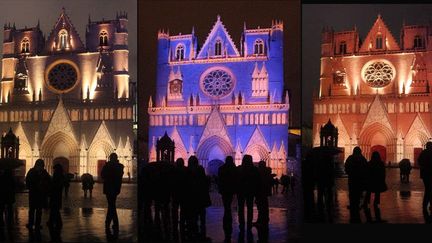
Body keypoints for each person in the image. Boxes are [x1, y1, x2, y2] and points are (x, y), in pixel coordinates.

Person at [185, 156, 211, 241]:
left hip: (192, 198)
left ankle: (193, 233)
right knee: (202, 215)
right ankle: (202, 232)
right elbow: (205, 182)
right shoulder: (200, 170)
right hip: (201, 197)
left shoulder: (187, 171)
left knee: (193, 216)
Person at [101, 153, 124, 235]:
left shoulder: (107, 166)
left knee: (111, 205)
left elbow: (102, 175)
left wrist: (107, 167)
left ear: (110, 158)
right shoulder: (120, 166)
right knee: (111, 205)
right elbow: (120, 176)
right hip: (116, 188)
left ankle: (111, 223)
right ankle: (111, 222)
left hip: (109, 188)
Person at [344, 147, 368, 223]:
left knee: (352, 192)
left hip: (352, 179)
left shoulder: (350, 158)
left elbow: (346, 166)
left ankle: (352, 205)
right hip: (360, 179)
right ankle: (356, 205)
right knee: (358, 193)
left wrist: (349, 173)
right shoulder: (362, 158)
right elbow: (366, 168)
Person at [25, 159, 51, 230]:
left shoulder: (43, 173)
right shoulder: (33, 172)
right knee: (33, 210)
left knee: (37, 210)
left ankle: (36, 224)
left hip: (39, 194)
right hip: (35, 193)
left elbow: (49, 182)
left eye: (41, 165)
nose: (40, 166)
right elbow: (28, 181)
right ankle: (32, 223)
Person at [362, 151, 387, 223]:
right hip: (378, 181)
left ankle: (366, 203)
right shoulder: (381, 163)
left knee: (368, 192)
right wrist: (382, 180)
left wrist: (366, 179)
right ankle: (376, 204)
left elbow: (366, 172)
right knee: (377, 192)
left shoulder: (369, 163)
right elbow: (383, 173)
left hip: (370, 180)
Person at [217, 156, 238, 242]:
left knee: (226, 203)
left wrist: (220, 188)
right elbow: (236, 179)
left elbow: (219, 179)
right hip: (231, 189)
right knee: (228, 202)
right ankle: (228, 213)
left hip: (224, 189)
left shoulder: (222, 168)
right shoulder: (234, 168)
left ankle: (227, 213)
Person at [237, 154, 259, 232]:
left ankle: (241, 222)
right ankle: (249, 222)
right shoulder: (255, 169)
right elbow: (257, 182)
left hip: (241, 191)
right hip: (250, 191)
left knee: (240, 208)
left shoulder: (239, 168)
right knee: (250, 208)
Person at [171, 158, 187, 239]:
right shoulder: (186, 170)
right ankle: (182, 222)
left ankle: (174, 222)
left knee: (175, 208)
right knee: (183, 209)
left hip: (175, 193)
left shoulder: (173, 171)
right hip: (184, 193)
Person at [418, 142, 432, 223]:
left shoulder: (423, 152)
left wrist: (424, 167)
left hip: (425, 174)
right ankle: (426, 205)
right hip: (430, 174)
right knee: (429, 190)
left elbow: (419, 161)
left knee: (428, 189)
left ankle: (425, 205)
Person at [255, 161, 272, 227]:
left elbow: (258, 182)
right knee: (264, 207)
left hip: (260, 192)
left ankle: (261, 221)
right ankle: (264, 220)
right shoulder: (267, 172)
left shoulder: (260, 172)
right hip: (265, 192)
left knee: (261, 207)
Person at [48, 164, 65, 229]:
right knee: (54, 209)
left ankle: (58, 222)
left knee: (54, 209)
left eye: (54, 169)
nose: (53, 170)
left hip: (55, 195)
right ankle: (51, 221)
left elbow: (55, 185)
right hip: (57, 195)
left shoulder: (57, 175)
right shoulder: (61, 175)